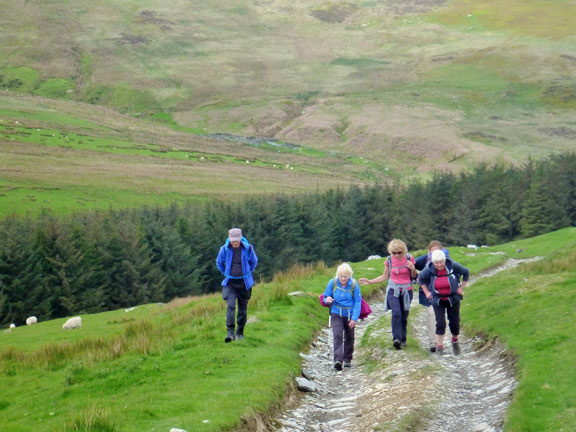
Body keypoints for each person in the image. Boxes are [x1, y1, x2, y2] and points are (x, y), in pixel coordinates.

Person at [359, 239, 417, 350]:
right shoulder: (389, 260)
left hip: (406, 290)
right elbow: (385, 276)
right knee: (396, 313)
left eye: (399, 253)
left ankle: (403, 338)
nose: (396, 255)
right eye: (393, 253)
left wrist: (412, 268)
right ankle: (396, 339)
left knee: (404, 315)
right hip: (392, 289)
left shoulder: (409, 258)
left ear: (404, 251)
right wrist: (370, 281)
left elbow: (414, 276)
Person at [418, 249, 469, 354]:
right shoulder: (429, 269)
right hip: (437, 300)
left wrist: (461, 288)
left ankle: (454, 339)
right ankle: (439, 346)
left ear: (444, 260)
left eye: (441, 262)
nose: (439, 265)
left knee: (454, 322)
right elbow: (420, 279)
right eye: (436, 263)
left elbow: (466, 272)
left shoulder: (452, 265)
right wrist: (427, 292)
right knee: (440, 323)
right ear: (433, 262)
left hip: (453, 298)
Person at [216, 228, 258, 343]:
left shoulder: (248, 248)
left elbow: (254, 262)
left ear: (240, 239)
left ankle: (240, 333)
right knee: (231, 305)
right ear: (229, 239)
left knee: (242, 308)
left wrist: (248, 273)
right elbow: (219, 263)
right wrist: (225, 272)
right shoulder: (224, 249)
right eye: (233, 241)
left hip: (244, 283)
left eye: (237, 241)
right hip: (230, 283)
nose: (235, 243)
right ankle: (230, 333)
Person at [322, 263, 362, 371]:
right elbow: (325, 296)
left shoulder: (354, 285)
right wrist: (327, 300)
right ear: (338, 275)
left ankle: (347, 359)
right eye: (341, 276)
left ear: (349, 276)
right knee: (338, 334)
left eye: (345, 276)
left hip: (349, 314)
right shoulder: (333, 282)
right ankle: (338, 360)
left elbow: (358, 302)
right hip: (336, 313)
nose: (343, 278)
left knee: (349, 336)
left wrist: (354, 318)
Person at [415, 240, 450, 353]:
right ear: (429, 252)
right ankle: (433, 343)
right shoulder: (424, 260)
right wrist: (415, 275)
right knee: (431, 314)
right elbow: (411, 266)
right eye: (433, 252)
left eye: (438, 252)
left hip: (443, 295)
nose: (436, 255)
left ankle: (439, 341)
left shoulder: (447, 261)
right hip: (429, 295)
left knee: (440, 318)